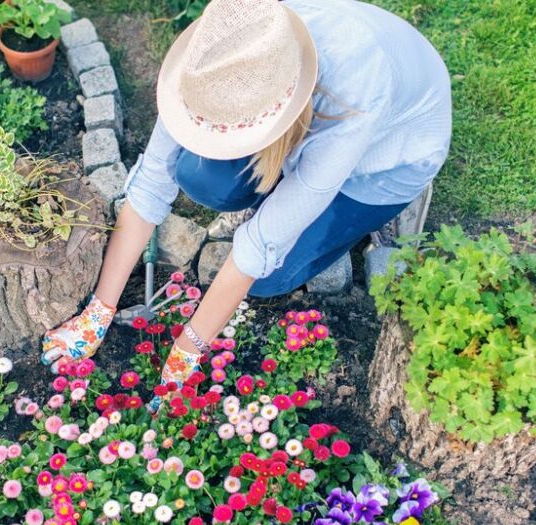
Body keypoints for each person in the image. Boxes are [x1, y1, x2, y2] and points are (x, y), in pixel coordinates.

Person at [42, 0, 452, 388]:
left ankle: (380, 215)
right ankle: (281, 184)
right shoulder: (220, 55)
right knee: (199, 175)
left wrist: (187, 352)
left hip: (382, 163)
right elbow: (152, 182)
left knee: (270, 278)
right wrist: (98, 312)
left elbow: (258, 246)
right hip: (298, 118)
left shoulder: (352, 101)